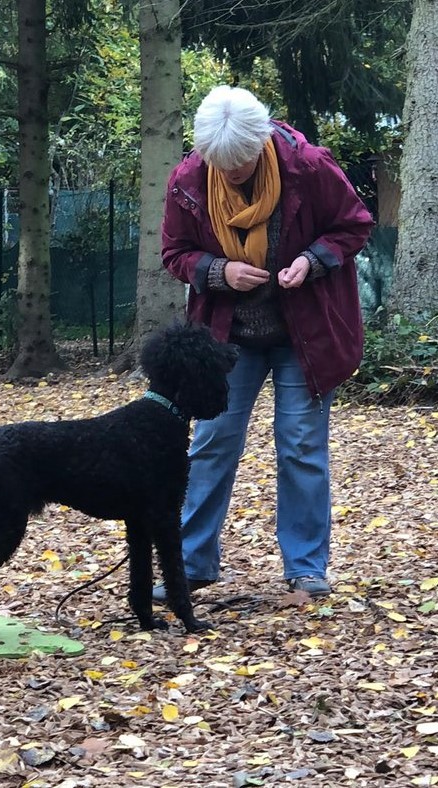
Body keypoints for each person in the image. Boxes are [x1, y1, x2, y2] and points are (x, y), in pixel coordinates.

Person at [154, 85, 373, 601]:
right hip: (227, 337)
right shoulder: (189, 179)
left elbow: (354, 225)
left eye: (242, 164)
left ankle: (305, 566)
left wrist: (313, 259)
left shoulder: (310, 167)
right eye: (220, 166)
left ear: (262, 143)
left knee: (300, 446)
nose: (231, 174)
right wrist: (218, 270)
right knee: (210, 442)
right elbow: (174, 252)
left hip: (307, 333)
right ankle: (191, 562)